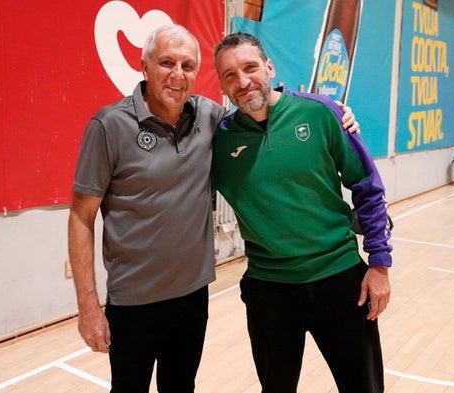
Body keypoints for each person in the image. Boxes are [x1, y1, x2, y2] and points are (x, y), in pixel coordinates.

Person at [68, 25, 358, 393]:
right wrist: (88, 307)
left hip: (192, 296)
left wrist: (336, 111)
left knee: (181, 387)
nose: (177, 75)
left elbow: (263, 104)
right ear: (144, 66)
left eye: (188, 66)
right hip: (133, 302)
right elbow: (81, 217)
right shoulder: (108, 126)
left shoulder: (211, 118)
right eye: (166, 63)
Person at [211, 32, 392, 393]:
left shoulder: (322, 113)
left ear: (269, 67)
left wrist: (379, 264)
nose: (243, 81)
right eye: (229, 75)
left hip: (341, 281)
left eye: (249, 67)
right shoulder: (219, 141)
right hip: (270, 292)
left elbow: (367, 188)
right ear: (222, 85)